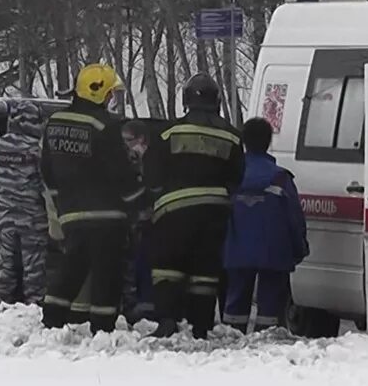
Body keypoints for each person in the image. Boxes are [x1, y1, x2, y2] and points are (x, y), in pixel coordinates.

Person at [40, 64, 142, 332]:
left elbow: (46, 169)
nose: (111, 99)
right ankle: (102, 326)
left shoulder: (54, 123)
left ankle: (52, 317)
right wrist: (139, 204)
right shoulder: (105, 126)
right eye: (109, 94)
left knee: (72, 266)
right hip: (107, 217)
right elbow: (121, 173)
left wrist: (60, 207)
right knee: (107, 272)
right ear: (98, 93)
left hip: (71, 214)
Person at [144, 75, 245, 339]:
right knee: (206, 270)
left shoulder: (168, 132)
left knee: (168, 266)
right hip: (214, 213)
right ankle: (201, 325)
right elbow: (236, 178)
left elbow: (151, 174)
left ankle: (167, 320)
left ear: (186, 99)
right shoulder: (233, 137)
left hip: (173, 212)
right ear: (217, 101)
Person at [222, 118, 308, 333]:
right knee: (270, 307)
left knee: (235, 303)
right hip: (274, 253)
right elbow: (294, 218)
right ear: (269, 142)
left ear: (244, 141)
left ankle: (231, 339)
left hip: (236, 251)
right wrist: (299, 250)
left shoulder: (231, 177)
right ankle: (264, 342)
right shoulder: (280, 178)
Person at [0, 101, 49, 305]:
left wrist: (4, 201)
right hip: (34, 220)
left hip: (6, 218)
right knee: (34, 270)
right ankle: (34, 309)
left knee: (6, 267)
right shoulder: (38, 149)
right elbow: (47, 184)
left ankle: (1, 305)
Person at [120, 119, 154, 322]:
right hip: (129, 220)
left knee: (134, 264)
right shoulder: (128, 159)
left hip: (139, 221)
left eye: (128, 140)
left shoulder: (144, 159)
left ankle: (133, 305)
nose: (125, 144)